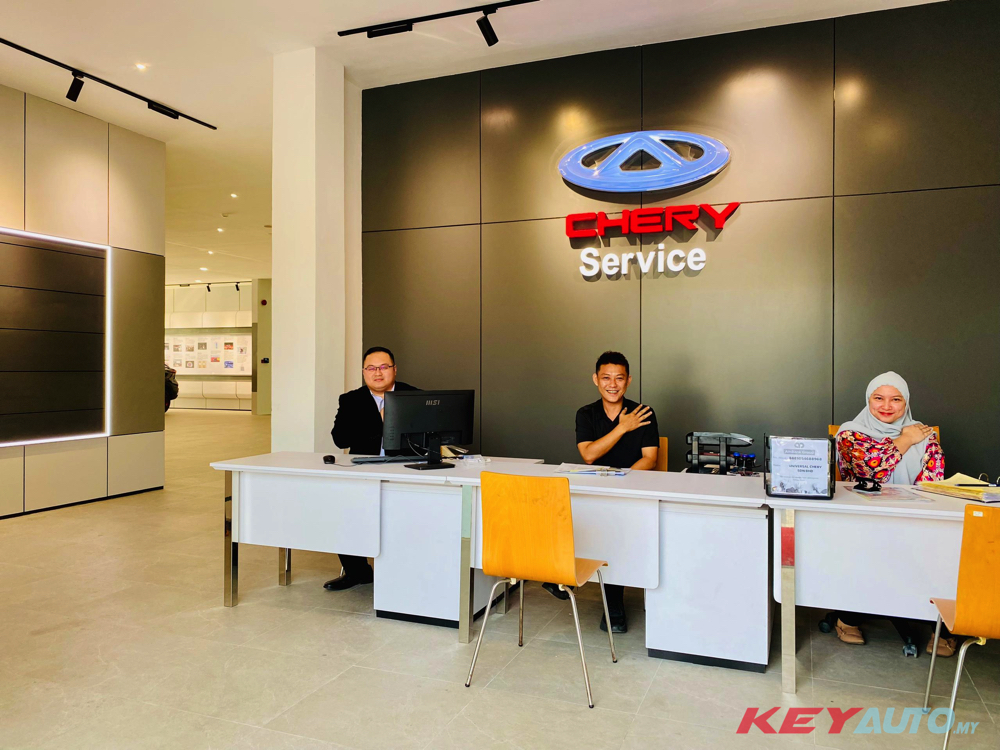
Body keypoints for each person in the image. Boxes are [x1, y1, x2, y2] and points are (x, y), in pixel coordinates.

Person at [833, 371, 953, 654]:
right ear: (868, 400)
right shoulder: (849, 433)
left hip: (913, 517)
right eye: (879, 398)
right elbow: (871, 470)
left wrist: (910, 514)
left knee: (944, 549)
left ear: (906, 402)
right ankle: (848, 617)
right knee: (870, 549)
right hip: (862, 518)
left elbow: (932, 482)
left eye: (896, 399)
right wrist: (906, 439)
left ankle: (941, 626)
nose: (886, 406)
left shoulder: (924, 434)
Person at [542, 350, 658, 634]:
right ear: (596, 379)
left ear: (628, 380)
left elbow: (650, 458)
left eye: (619, 378)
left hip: (631, 489)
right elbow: (589, 454)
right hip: (595, 489)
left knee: (613, 523)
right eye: (606, 378)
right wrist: (622, 428)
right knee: (571, 512)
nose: (612, 384)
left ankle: (611, 603)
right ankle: (564, 574)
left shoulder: (643, 413)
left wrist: (622, 482)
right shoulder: (586, 414)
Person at [324, 346, 418, 591]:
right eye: (371, 368)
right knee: (344, 513)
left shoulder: (414, 396)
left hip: (405, 470)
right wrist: (382, 421)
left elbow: (427, 437)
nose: (378, 372)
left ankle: (402, 572)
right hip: (364, 471)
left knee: (405, 521)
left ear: (395, 370)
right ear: (364, 372)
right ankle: (357, 572)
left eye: (384, 367)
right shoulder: (351, 400)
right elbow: (341, 439)